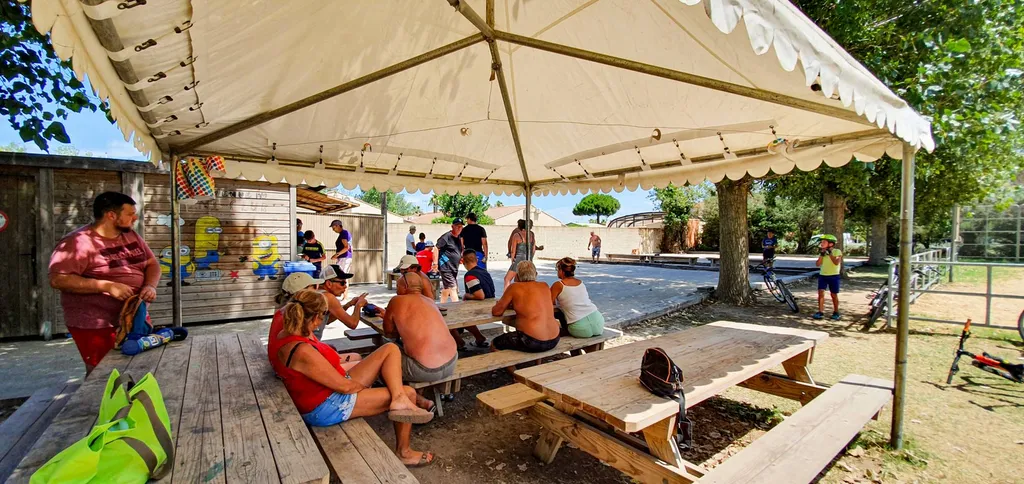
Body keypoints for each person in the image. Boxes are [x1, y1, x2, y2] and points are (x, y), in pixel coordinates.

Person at [268, 289, 436, 467]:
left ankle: (398, 398)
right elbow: (345, 388)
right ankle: (404, 451)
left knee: (390, 351)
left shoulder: (295, 331)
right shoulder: (301, 350)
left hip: (325, 389)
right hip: (325, 405)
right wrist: (368, 385)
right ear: (316, 317)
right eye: (323, 316)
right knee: (407, 391)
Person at [49, 191, 161, 375]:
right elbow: (58, 279)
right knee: (103, 374)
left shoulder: (130, 235)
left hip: (134, 316)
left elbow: (152, 264)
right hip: (95, 323)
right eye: (130, 213)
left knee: (139, 367)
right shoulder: (76, 243)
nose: (135, 217)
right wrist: (106, 286)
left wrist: (150, 285)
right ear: (111, 215)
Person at [273, 270, 365, 369]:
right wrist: (358, 306)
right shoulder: (325, 297)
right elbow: (352, 324)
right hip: (297, 359)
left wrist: (348, 305)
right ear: (304, 292)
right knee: (360, 362)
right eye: (342, 283)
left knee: (335, 349)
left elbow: (326, 321)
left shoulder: (289, 307)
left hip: (281, 358)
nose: (345, 286)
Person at [376, 273, 458, 383]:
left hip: (424, 370)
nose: (396, 289)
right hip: (452, 362)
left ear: (405, 286)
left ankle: (400, 393)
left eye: (397, 286)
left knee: (384, 348)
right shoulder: (430, 301)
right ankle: (419, 394)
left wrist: (388, 317)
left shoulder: (396, 300)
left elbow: (389, 333)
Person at [490, 261, 560, 354]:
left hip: (532, 341)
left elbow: (497, 312)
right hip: (555, 338)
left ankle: (513, 369)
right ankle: (535, 363)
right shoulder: (544, 285)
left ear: (517, 276)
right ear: (535, 274)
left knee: (494, 344)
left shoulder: (514, 287)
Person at [550, 257, 605, 338]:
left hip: (580, 328)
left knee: (557, 327)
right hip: (598, 322)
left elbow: (549, 303)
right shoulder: (581, 282)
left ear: (561, 271)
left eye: (557, 269)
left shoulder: (558, 285)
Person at [455, 250, 491, 349]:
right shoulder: (484, 271)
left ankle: (459, 342)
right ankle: (479, 337)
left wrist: (467, 296)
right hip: (490, 304)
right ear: (476, 259)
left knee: (454, 316)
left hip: (481, 307)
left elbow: (480, 295)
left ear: (463, 261)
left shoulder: (470, 275)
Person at [503, 219, 543, 288]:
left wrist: (513, 260)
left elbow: (513, 250)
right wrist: (530, 258)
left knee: (507, 279)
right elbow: (533, 249)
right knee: (524, 280)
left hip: (518, 259)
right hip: (528, 259)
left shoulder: (516, 234)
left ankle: (507, 296)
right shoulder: (532, 234)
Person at [433, 219, 464, 302]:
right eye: (457, 226)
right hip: (445, 267)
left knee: (446, 289)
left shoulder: (459, 238)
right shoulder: (446, 237)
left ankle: (442, 306)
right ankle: (457, 310)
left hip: (454, 267)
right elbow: (436, 248)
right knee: (453, 288)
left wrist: (460, 257)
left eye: (461, 226)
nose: (459, 228)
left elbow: (459, 250)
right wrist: (435, 264)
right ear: (452, 226)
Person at [813, 234, 843, 320]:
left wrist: (830, 253)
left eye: (824, 242)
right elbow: (818, 264)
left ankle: (836, 311)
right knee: (821, 293)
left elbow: (836, 262)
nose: (822, 243)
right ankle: (820, 311)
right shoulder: (822, 252)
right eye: (821, 242)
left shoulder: (837, 251)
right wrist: (822, 255)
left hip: (834, 276)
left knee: (833, 294)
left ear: (831, 244)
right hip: (823, 275)